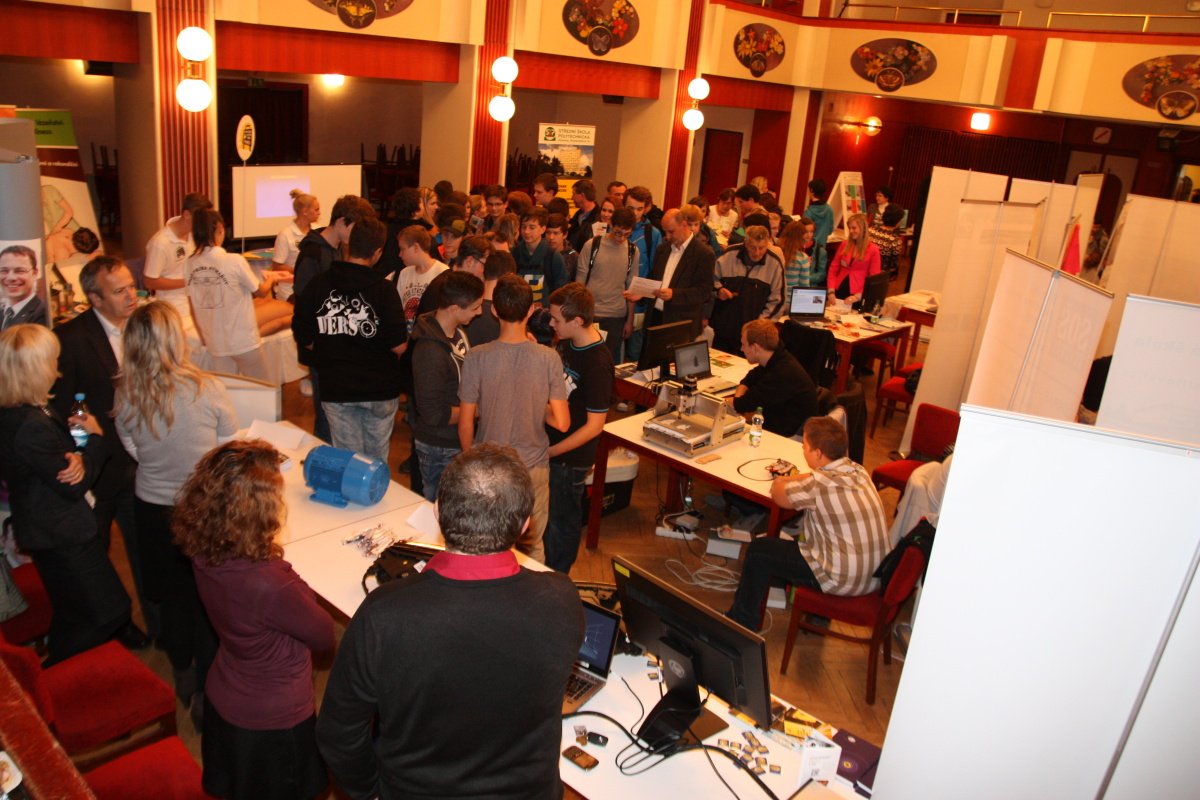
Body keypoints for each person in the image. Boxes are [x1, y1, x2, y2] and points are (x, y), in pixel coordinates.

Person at [316, 444, 583, 799]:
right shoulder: (562, 600)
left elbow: (338, 733)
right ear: (524, 526)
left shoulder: (384, 614)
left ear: (438, 512)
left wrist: (371, 791)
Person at [174, 440, 335, 800]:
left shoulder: (204, 548)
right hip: (273, 720)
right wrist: (285, 574)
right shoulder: (269, 583)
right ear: (257, 510)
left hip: (226, 694)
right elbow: (324, 635)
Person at [114, 301, 235, 720]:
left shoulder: (125, 394)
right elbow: (227, 448)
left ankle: (181, 670)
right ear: (174, 340)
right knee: (205, 601)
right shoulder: (207, 388)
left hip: (152, 508)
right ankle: (205, 688)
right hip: (201, 508)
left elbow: (133, 450)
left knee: (173, 597)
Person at [0, 323, 136, 666]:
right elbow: (73, 484)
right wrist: (95, 440)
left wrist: (76, 455)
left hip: (49, 530)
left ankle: (59, 669)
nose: (57, 368)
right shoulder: (30, 424)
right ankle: (53, 671)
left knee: (73, 610)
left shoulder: (22, 409)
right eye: (51, 360)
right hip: (60, 533)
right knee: (108, 612)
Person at [51, 255, 153, 648]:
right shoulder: (70, 340)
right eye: (120, 291)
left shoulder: (143, 325)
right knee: (96, 553)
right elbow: (65, 410)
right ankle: (117, 625)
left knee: (144, 550)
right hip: (100, 469)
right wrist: (85, 455)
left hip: (144, 463)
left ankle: (159, 624)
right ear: (95, 299)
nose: (131, 296)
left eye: (132, 287)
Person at [726, 417, 889, 630]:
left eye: (805, 446)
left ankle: (742, 623)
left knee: (759, 551)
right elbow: (812, 479)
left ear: (818, 453)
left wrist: (782, 480)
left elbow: (779, 496)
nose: (802, 449)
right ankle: (818, 616)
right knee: (804, 544)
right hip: (874, 576)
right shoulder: (858, 470)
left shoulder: (819, 484)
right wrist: (795, 478)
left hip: (841, 580)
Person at [458, 275, 570, 564]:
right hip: (533, 466)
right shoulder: (549, 358)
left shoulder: (477, 357)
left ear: (494, 310)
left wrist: (470, 459)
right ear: (531, 310)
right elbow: (562, 422)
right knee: (532, 545)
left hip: (490, 467)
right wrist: (535, 404)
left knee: (487, 541)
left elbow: (466, 422)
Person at [292, 217, 408, 464]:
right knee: (375, 461)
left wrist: (331, 345)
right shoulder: (385, 290)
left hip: (336, 386)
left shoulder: (318, 285)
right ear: (377, 252)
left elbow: (303, 335)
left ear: (348, 245)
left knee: (348, 459)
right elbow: (399, 345)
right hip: (379, 389)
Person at [292, 194, 376, 443]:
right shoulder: (313, 253)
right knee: (325, 416)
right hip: (320, 346)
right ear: (341, 221)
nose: (357, 236)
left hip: (333, 344)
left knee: (335, 412)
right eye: (355, 228)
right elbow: (304, 304)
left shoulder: (336, 249)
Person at [545, 283, 613, 573]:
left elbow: (595, 426)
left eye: (556, 319)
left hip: (569, 458)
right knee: (550, 518)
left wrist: (552, 451)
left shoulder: (597, 363)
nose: (551, 324)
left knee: (562, 523)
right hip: (553, 450)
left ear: (578, 320)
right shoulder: (567, 342)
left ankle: (557, 576)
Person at [409, 270, 484, 500]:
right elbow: (433, 414)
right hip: (439, 446)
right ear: (454, 308)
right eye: (475, 307)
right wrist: (477, 410)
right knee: (441, 509)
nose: (480, 312)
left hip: (456, 438)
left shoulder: (458, 332)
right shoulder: (429, 352)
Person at [185, 208, 283, 381]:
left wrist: (204, 336)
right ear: (219, 229)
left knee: (229, 390)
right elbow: (261, 292)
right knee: (263, 387)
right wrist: (272, 278)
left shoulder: (189, 264)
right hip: (243, 340)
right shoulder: (234, 261)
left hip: (216, 342)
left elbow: (192, 306)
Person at [634, 206, 715, 340]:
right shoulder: (662, 249)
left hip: (680, 323)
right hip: (655, 317)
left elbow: (704, 292)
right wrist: (642, 293)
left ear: (684, 225)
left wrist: (674, 294)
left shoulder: (703, 253)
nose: (667, 236)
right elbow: (654, 279)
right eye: (665, 232)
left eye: (671, 231)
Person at [726, 319, 818, 438]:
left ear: (755, 348)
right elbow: (750, 379)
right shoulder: (777, 357)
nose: (741, 349)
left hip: (791, 436)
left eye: (744, 344)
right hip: (782, 423)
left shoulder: (781, 374)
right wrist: (737, 398)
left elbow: (745, 404)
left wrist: (730, 402)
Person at [710, 224, 785, 354]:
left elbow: (778, 301)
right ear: (745, 243)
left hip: (752, 334)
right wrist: (719, 290)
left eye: (761, 248)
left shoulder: (774, 264)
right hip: (723, 328)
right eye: (752, 247)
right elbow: (710, 280)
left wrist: (759, 324)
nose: (757, 253)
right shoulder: (729, 255)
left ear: (767, 244)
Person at [576, 206, 637, 365]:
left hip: (616, 316)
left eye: (627, 234)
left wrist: (629, 320)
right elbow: (579, 284)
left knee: (608, 362)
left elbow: (631, 289)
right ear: (611, 224)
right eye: (618, 232)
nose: (621, 238)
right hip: (590, 313)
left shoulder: (632, 251)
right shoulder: (592, 245)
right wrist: (578, 314)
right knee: (587, 361)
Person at [144, 192, 213, 325]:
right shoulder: (160, 243)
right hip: (174, 308)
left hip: (197, 301)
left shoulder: (194, 235)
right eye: (202, 218)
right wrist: (188, 281)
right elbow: (150, 282)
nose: (205, 223)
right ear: (187, 215)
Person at [394, 224, 449, 333]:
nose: (399, 254)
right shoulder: (404, 273)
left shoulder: (443, 272)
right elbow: (398, 309)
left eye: (402, 249)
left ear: (416, 247)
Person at [512, 207, 568, 309]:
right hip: (518, 310)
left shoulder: (553, 256)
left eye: (532, 227)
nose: (526, 231)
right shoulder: (514, 253)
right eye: (523, 227)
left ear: (543, 229)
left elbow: (561, 291)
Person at [271, 190, 320, 302]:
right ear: (305, 211)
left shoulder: (318, 230)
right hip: (289, 291)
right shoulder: (285, 234)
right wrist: (302, 271)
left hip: (312, 289)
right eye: (316, 209)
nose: (319, 213)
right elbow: (277, 266)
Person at [827, 212, 881, 304]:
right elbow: (833, 268)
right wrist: (831, 290)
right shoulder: (844, 244)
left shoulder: (873, 249)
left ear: (863, 229)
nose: (851, 231)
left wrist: (858, 296)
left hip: (858, 295)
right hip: (838, 290)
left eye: (854, 228)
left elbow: (874, 279)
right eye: (850, 228)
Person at [1, 244, 48, 329]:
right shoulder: (3, 311)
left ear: (35, 273)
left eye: (20, 271)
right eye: (4, 271)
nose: (11, 278)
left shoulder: (42, 314)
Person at [804, 179, 835, 286]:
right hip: (822, 248)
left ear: (812, 191)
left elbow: (804, 232)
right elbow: (830, 230)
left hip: (809, 248)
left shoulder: (809, 212)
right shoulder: (829, 210)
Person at [780, 217, 818, 293]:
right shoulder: (802, 258)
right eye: (806, 232)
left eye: (811, 232)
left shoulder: (777, 251)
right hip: (792, 297)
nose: (808, 235)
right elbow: (804, 287)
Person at [567, 178, 600, 252]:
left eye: (574, 194)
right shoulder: (577, 215)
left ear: (582, 195)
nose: (572, 198)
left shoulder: (598, 219)